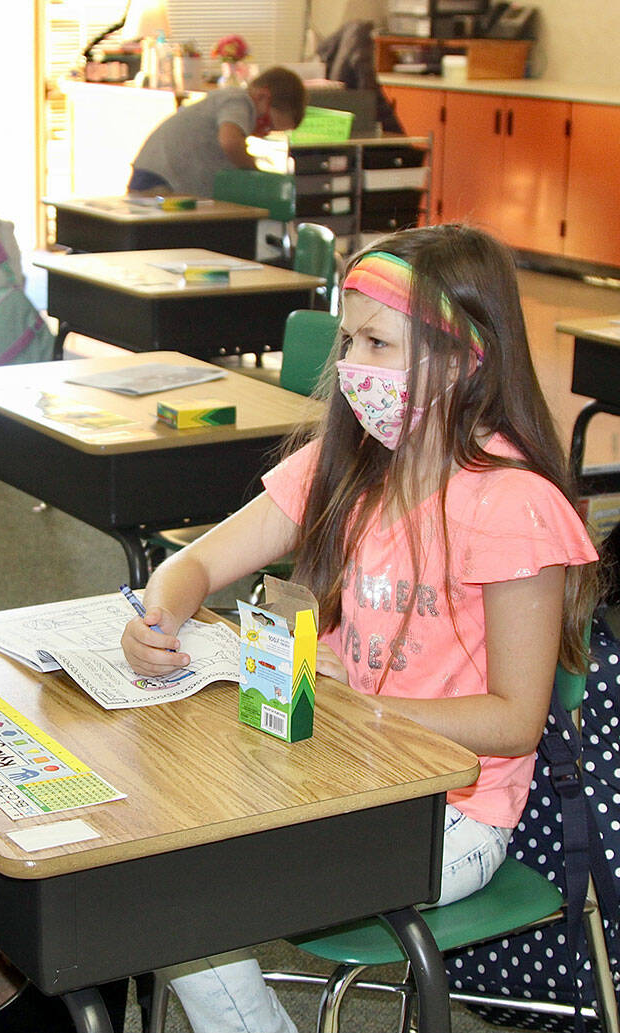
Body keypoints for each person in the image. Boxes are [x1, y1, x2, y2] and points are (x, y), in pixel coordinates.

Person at [121, 224, 598, 1033]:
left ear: (463, 357)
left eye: (376, 341)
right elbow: (193, 564)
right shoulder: (342, 465)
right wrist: (160, 610)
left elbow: (516, 720)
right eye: (348, 338)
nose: (350, 365)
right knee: (136, 848)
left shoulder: (512, 507)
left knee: (177, 895)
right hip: (330, 773)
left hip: (450, 813)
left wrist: (360, 708)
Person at [128, 66, 307, 198]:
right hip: (161, 182)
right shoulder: (238, 100)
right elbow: (230, 142)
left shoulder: (228, 103)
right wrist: (256, 173)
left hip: (157, 176)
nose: (260, 133)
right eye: (266, 124)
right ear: (262, 96)